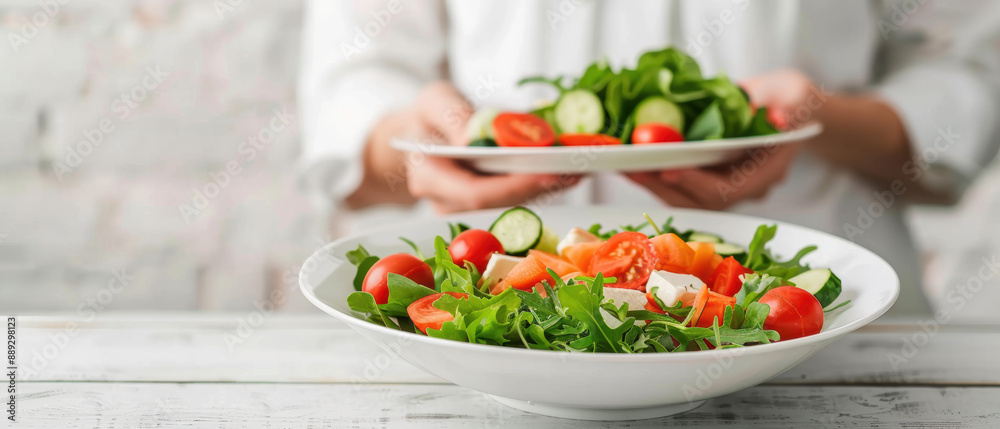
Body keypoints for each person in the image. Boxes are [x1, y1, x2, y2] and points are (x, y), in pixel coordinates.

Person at [298, 0, 1000, 316]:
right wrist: (415, 149)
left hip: (826, 325)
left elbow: (965, 74)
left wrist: (820, 119)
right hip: (498, 342)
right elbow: (352, 86)